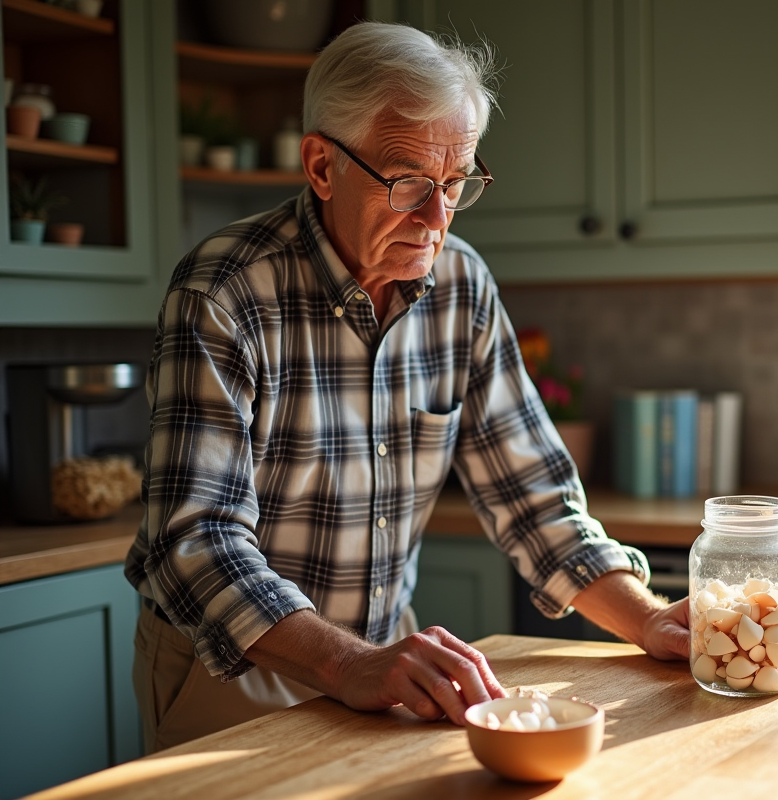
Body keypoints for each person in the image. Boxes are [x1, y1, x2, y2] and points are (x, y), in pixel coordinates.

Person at [125, 21, 688, 753]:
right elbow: (193, 541)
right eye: (409, 184)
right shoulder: (226, 292)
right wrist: (348, 661)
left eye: (456, 185)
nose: (436, 219)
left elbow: (534, 496)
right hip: (234, 670)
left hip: (383, 668)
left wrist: (648, 619)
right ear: (322, 167)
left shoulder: (461, 284)